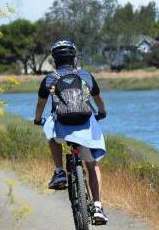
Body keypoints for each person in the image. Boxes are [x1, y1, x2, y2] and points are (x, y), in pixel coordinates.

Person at [33, 40, 109, 225]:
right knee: (92, 167)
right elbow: (98, 100)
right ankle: (97, 207)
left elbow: (41, 106)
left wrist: (37, 119)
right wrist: (102, 112)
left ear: (55, 60)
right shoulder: (85, 76)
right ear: (74, 58)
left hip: (61, 128)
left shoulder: (50, 79)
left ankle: (59, 170)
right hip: (85, 128)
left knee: (50, 129)